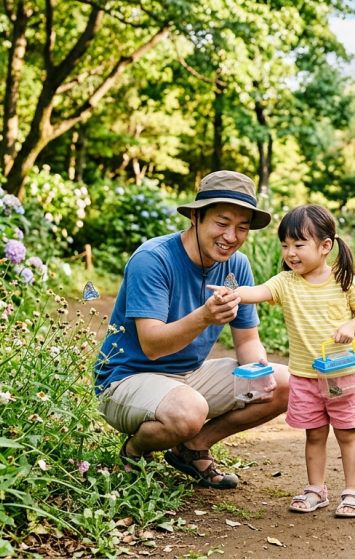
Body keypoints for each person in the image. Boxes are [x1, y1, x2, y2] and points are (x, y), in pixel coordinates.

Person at [93, 170, 290, 489]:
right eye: (222, 223)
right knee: (189, 410)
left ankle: (192, 447)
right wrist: (204, 317)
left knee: (283, 384)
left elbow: (248, 340)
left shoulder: (236, 266)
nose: (231, 236)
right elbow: (152, 346)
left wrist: (259, 376)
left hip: (188, 377)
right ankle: (134, 450)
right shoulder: (154, 260)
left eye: (242, 227)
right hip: (126, 378)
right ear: (196, 216)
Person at [235, 204, 355, 518]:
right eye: (285, 245)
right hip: (304, 376)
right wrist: (233, 295)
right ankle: (316, 489)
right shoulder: (285, 283)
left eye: (299, 245)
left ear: (325, 246)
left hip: (344, 374)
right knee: (314, 433)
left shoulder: (344, 280)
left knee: (347, 432)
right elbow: (256, 291)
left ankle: (353, 490)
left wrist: (350, 326)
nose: (290, 253)